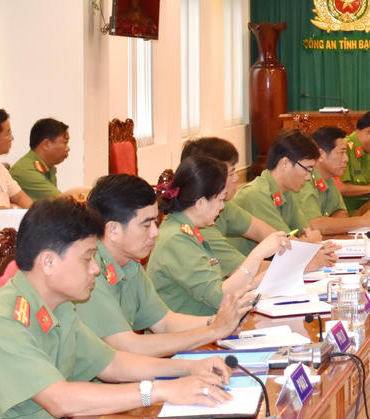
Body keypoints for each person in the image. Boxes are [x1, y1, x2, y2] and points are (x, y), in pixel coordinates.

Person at [0, 198, 231, 419]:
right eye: (87, 258)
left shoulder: (59, 307)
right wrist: (159, 391)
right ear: (48, 262)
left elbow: (111, 363)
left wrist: (189, 368)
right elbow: (60, 400)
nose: (95, 269)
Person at [77, 173, 253, 356]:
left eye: (156, 222)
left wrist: (220, 321)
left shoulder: (129, 263)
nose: (155, 233)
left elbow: (164, 322)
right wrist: (213, 331)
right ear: (113, 229)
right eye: (146, 225)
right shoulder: (89, 271)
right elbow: (129, 347)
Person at [148, 156, 287, 316]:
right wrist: (258, 254)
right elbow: (219, 298)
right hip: (193, 329)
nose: (222, 207)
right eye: (220, 200)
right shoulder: (177, 238)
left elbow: (218, 289)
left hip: (209, 322)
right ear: (200, 202)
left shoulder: (185, 228)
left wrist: (269, 276)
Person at [228, 130, 338, 266]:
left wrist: (313, 244)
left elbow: (307, 233)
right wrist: (307, 243)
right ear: (285, 163)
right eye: (307, 169)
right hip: (248, 274)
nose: (308, 177)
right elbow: (288, 248)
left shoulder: (287, 192)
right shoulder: (256, 194)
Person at [180, 137, 280, 276]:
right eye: (231, 173)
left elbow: (264, 232)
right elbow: (244, 271)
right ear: (209, 178)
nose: (236, 178)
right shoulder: (198, 226)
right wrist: (298, 265)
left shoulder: (222, 205)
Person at [294, 126, 370, 235]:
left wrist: (330, 225)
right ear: (321, 155)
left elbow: (341, 212)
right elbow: (315, 225)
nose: (346, 159)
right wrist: (364, 221)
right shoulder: (305, 180)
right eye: (341, 153)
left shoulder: (328, 179)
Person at [9, 118, 89, 202]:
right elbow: (60, 203)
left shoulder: (47, 167)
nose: (68, 148)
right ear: (46, 144)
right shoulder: (26, 171)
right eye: (65, 142)